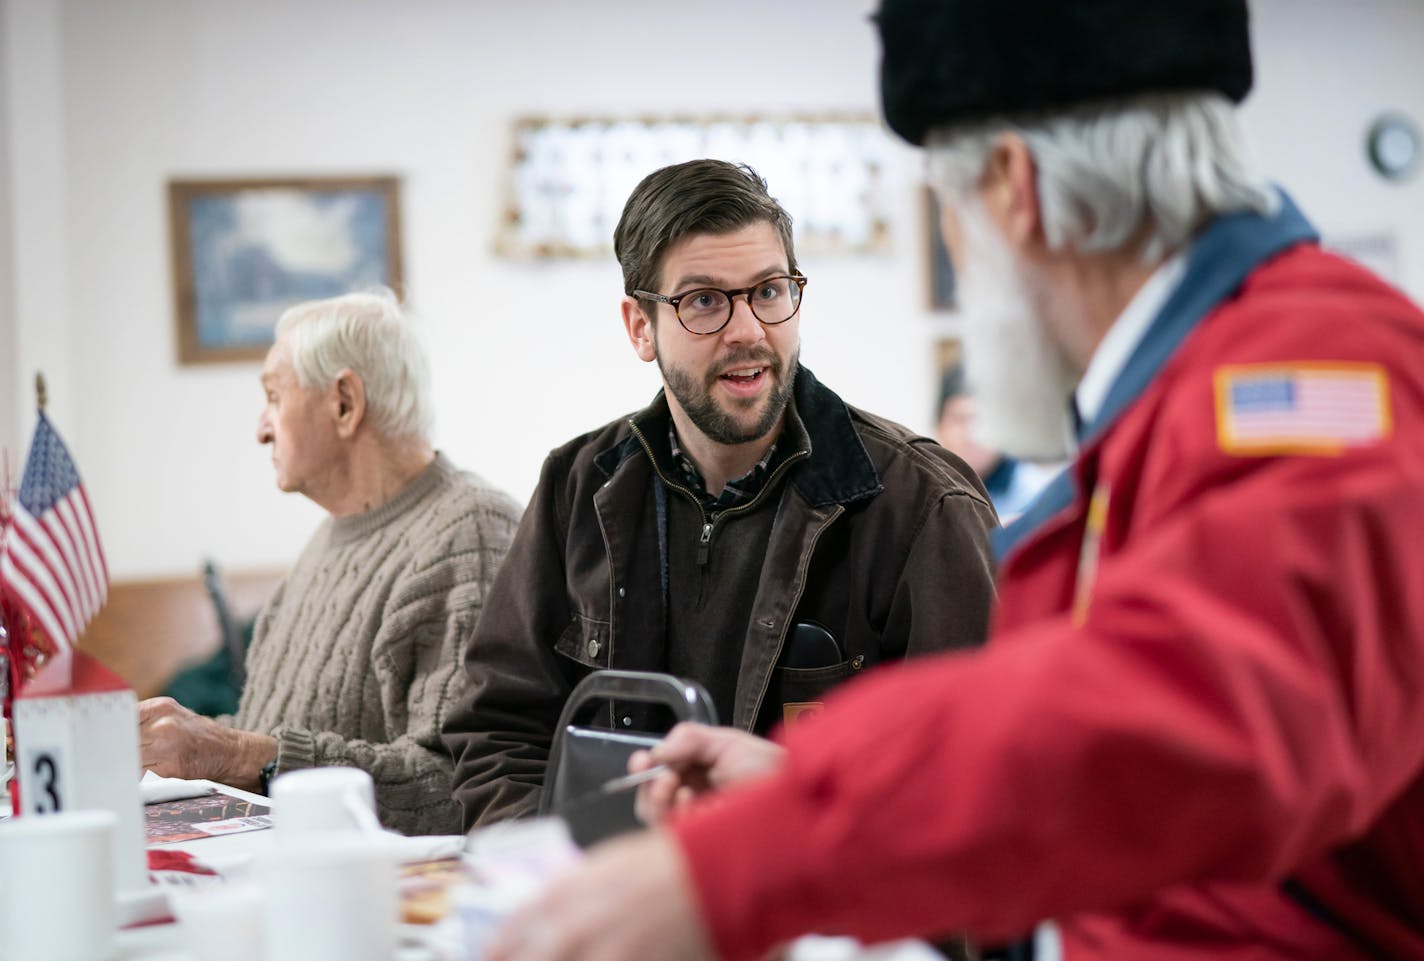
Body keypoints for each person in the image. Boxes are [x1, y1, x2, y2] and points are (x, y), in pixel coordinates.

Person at [484, 1, 1424, 958]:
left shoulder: (1312, 381)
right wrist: (795, 784)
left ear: (1013, 188)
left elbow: (1190, 717)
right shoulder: (1189, 389)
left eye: (951, 215)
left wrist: (751, 853)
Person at [442, 159, 999, 829]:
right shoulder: (577, 488)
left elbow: (983, 777)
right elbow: (499, 733)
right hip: (621, 912)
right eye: (704, 300)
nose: (747, 330)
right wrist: (561, 872)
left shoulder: (918, 505)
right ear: (639, 326)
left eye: (768, 291)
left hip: (820, 920)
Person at [139, 289, 522, 836]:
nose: (261, 428)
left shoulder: (473, 533)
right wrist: (179, 742)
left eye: (273, 396)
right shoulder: (330, 536)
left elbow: (458, 785)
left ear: (344, 402)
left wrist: (232, 754)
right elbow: (263, 735)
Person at [934, 362, 1054, 520]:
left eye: (980, 420)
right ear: (939, 426)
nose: (970, 434)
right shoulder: (928, 491)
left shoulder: (1036, 496)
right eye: (959, 419)